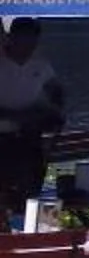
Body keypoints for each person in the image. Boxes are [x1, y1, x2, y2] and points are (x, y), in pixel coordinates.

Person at [0, 18, 65, 218]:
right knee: (6, 198)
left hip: (31, 139)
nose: (29, 47)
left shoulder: (41, 65)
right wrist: (17, 116)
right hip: (3, 139)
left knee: (37, 192)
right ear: (11, 38)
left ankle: (43, 240)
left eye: (33, 42)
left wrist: (53, 111)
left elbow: (57, 91)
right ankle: (8, 241)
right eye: (24, 41)